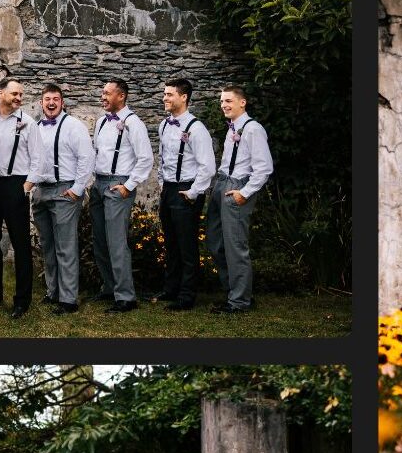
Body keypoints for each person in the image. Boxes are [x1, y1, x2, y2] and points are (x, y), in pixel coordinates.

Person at [25, 82, 92, 314]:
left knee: (65, 247)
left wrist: (77, 189)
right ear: (41, 103)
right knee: (48, 246)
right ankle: (52, 292)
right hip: (41, 192)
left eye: (55, 99)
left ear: (62, 102)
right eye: (47, 99)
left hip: (65, 191)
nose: (51, 103)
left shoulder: (75, 126)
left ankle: (68, 299)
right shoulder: (35, 127)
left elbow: (86, 158)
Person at [206, 83, 273, 314]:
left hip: (238, 186)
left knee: (235, 245)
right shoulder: (232, 127)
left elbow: (263, 168)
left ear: (242, 102)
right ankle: (233, 292)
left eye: (228, 101)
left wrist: (244, 193)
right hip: (221, 183)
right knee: (215, 241)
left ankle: (239, 301)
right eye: (222, 101)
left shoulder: (253, 129)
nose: (223, 105)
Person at [89, 78, 153, 312]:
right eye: (102, 93)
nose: (103, 97)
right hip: (99, 184)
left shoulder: (133, 123)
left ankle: (126, 297)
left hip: (118, 185)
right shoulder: (101, 122)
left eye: (107, 93)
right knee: (101, 241)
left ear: (121, 96)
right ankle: (109, 288)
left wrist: (129, 185)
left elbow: (145, 158)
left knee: (116, 243)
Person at [156, 78, 213, 311]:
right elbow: (162, 159)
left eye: (170, 94)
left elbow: (207, 166)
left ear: (184, 97)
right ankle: (172, 289)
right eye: (165, 94)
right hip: (169, 190)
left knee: (187, 245)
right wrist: (162, 184)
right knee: (170, 242)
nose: (165, 98)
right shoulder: (164, 125)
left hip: (187, 190)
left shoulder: (196, 129)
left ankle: (187, 296)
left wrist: (193, 192)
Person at [0, 76, 34, 317]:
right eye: (15, 93)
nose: (19, 98)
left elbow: (39, 158)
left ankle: (22, 301)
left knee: (21, 244)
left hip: (16, 184)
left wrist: (26, 186)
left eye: (21, 95)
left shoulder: (27, 123)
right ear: (0, 93)